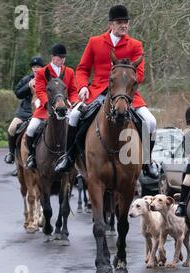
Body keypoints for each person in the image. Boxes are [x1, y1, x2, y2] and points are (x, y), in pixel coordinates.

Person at [55, 4, 158, 179]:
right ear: (110, 24)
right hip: (97, 91)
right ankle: (69, 157)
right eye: (119, 22)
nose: (123, 25)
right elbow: (82, 69)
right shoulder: (95, 42)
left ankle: (147, 162)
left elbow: (139, 74)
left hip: (125, 93)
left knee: (151, 121)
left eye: (126, 22)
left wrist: (124, 79)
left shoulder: (135, 45)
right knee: (73, 117)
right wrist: (83, 87)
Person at [24, 44, 79, 169]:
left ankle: (75, 158)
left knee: (77, 127)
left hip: (65, 107)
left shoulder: (69, 71)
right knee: (31, 129)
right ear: (53, 57)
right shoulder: (42, 72)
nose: (62, 60)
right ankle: (32, 156)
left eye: (64, 57)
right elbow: (40, 90)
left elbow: (73, 91)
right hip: (46, 109)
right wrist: (48, 104)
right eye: (60, 57)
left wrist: (73, 101)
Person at [4, 56, 45, 164]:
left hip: (41, 111)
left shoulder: (47, 79)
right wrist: (28, 85)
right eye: (34, 67)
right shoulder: (27, 79)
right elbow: (18, 93)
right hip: (25, 111)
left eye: (38, 67)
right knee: (12, 128)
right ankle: (12, 154)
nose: (35, 69)